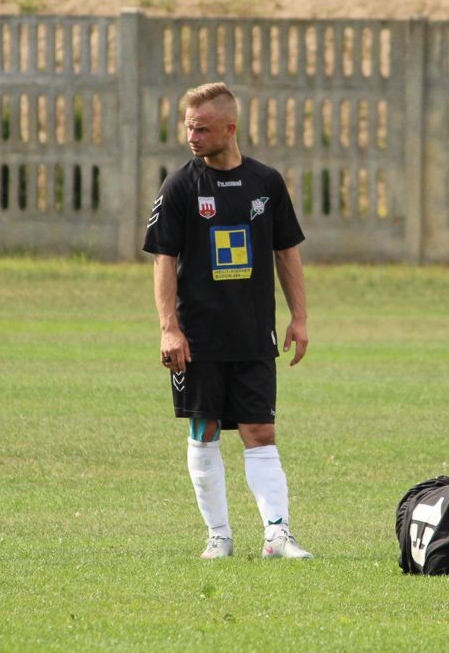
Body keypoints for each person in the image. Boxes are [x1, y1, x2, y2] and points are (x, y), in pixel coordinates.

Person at [143, 82, 314, 560]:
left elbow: (287, 252)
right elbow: (162, 259)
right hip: (198, 340)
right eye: (188, 127)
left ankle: (277, 535)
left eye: (201, 128)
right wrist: (168, 327)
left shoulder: (266, 183)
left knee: (262, 432)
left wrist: (299, 317)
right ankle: (218, 536)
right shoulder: (180, 186)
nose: (191, 136)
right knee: (205, 429)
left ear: (230, 128)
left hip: (254, 335)